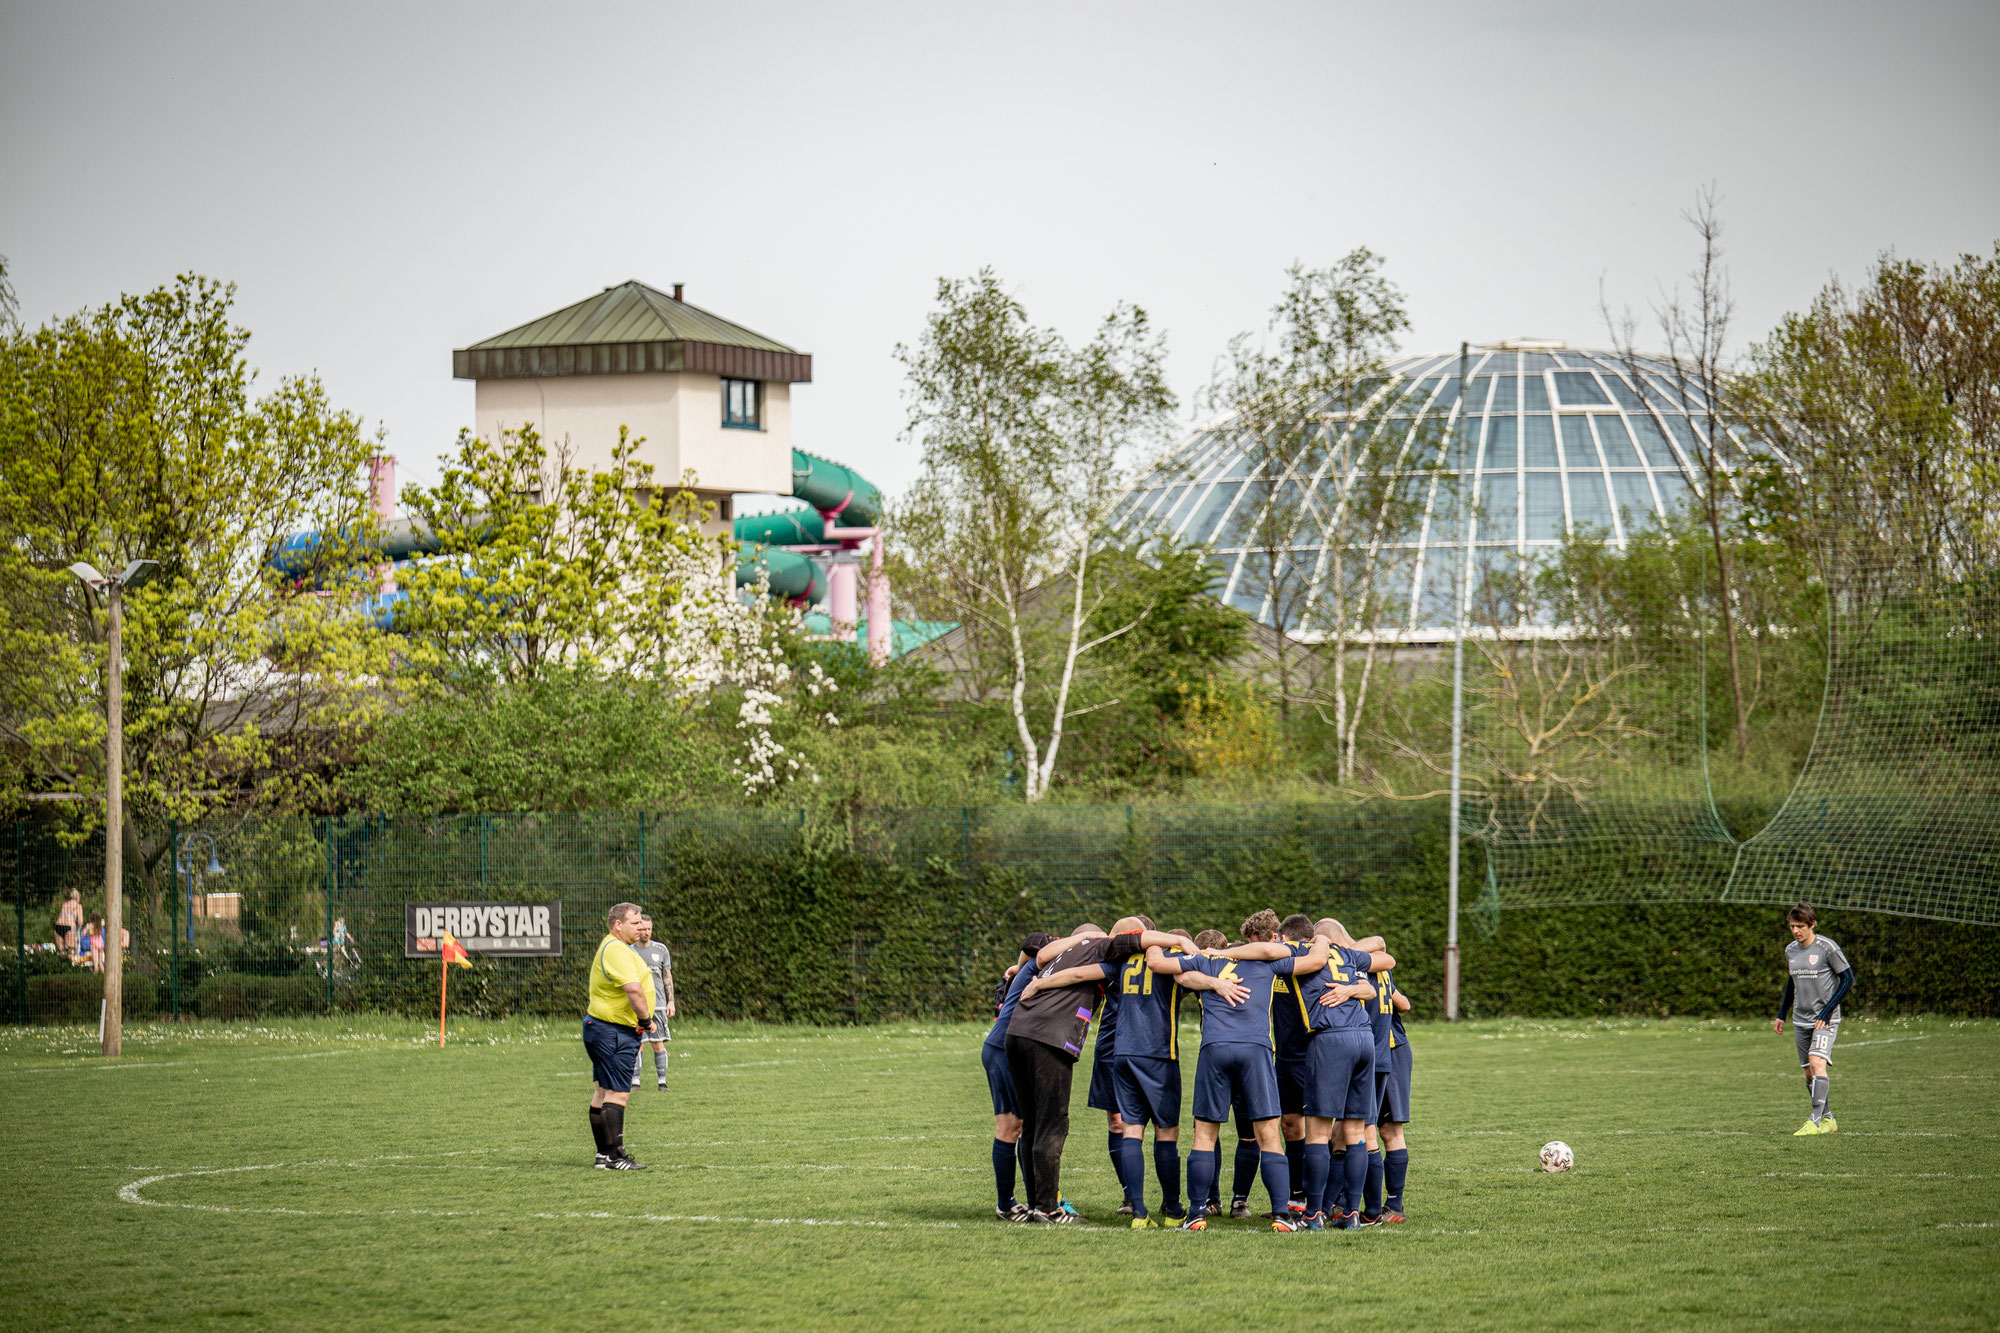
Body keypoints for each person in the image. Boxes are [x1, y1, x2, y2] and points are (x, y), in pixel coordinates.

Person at [1036, 926, 1247, 1228]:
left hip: (1122, 1054)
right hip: (1158, 1054)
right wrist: (1217, 981)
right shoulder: (1172, 957)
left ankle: (1138, 1213)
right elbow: (1190, 976)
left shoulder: (1122, 961)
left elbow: (1079, 974)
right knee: (1167, 1132)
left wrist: (1039, 984)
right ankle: (1173, 1211)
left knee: (1131, 1129)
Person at [1147, 909, 1329, 1233]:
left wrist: (1191, 960)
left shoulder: (1210, 958)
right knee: (1269, 1136)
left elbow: (1163, 967)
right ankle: (1281, 1217)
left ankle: (1196, 1215)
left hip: (1214, 1048)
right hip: (1255, 1049)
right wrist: (1325, 937)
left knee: (1204, 1135)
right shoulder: (1272, 960)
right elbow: (1316, 960)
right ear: (1272, 937)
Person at [1003, 919, 1185, 1223]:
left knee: (1033, 1124)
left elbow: (1042, 956)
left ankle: (1037, 1204)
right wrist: (1184, 943)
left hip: (1017, 1033)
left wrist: (1037, 980)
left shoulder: (1070, 949)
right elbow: (1141, 938)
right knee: (1051, 1124)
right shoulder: (1104, 945)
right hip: (1048, 1037)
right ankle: (1048, 1209)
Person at [1306, 917, 1394, 1228]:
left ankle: (1314, 1213)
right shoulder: (1351, 957)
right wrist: (1353, 987)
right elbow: (1380, 971)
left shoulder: (1306, 954)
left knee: (1318, 1132)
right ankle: (1352, 1214)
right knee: (1357, 1134)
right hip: (1365, 1040)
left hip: (1331, 1040)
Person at [982, 931, 1053, 1220]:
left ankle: (1033, 1198)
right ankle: (1006, 1204)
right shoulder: (1037, 965)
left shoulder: (1034, 970)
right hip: (1002, 1050)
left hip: (1006, 1049)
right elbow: (1032, 945)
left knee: (1021, 1126)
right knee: (1010, 1127)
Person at [582, 901, 657, 1170]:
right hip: (613, 1031)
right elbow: (634, 990)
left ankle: (604, 1155)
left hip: (603, 1027)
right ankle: (614, 1156)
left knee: (602, 1091)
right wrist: (646, 1020)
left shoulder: (615, 947)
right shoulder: (616, 949)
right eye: (635, 923)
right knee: (617, 1093)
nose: (640, 928)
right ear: (618, 925)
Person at [1775, 901, 1852, 1135]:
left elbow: (1848, 979)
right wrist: (1782, 1014)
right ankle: (1828, 1119)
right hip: (1800, 1019)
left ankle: (1814, 1121)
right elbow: (1792, 983)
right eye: (1792, 926)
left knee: (1817, 1063)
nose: (1796, 931)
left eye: (1800, 926)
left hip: (1824, 1019)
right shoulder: (1791, 950)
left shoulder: (1827, 948)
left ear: (1812, 925)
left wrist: (1827, 1011)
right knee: (1809, 1072)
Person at [628, 915, 676, 1093]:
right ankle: (635, 1083)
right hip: (637, 1006)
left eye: (649, 929)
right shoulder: (630, 950)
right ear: (637, 929)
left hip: (659, 1005)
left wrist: (670, 1001)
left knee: (658, 1043)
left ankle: (662, 1082)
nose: (646, 932)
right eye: (642, 929)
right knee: (638, 1043)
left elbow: (667, 977)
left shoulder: (661, 949)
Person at [54, 890, 82, 954]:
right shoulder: (78, 906)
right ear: (78, 897)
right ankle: (70, 962)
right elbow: (80, 921)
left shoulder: (65, 904)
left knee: (61, 951)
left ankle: (61, 963)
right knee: (71, 951)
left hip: (58, 927)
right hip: (69, 927)